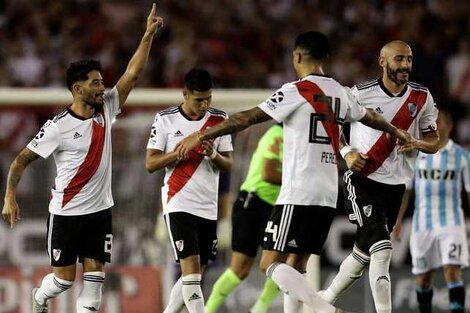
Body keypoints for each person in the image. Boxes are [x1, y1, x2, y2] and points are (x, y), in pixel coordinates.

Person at [175, 31, 411, 313]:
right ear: (325, 58)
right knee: (296, 266)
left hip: (298, 191)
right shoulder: (339, 91)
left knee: (268, 264)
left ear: (297, 56)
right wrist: (395, 131)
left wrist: (201, 135)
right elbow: (370, 116)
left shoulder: (296, 90)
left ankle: (324, 309)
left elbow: (245, 118)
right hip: (326, 195)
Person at [1, 4, 163, 313]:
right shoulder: (57, 127)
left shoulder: (107, 109)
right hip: (66, 214)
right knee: (63, 281)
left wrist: (147, 35)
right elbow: (20, 160)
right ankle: (39, 296)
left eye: (102, 82)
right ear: (77, 88)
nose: (103, 88)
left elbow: (133, 73)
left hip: (100, 211)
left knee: (95, 282)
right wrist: (10, 196)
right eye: (96, 83)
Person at [319, 40, 440, 313]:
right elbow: (330, 123)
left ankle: (323, 301)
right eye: (399, 59)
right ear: (382, 62)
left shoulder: (422, 97)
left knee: (363, 253)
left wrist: (417, 143)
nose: (406, 65)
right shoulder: (360, 94)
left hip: (396, 185)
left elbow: (434, 140)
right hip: (363, 178)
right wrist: (347, 151)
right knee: (383, 248)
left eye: (409, 59)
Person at [145, 68, 233, 313]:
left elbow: (228, 164)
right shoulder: (165, 119)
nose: (204, 105)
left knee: (194, 274)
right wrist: (177, 153)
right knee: (191, 268)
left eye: (208, 99)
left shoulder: (220, 120)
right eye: (198, 100)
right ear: (184, 94)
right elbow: (150, 163)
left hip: (208, 206)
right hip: (178, 201)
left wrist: (213, 154)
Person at [392, 110, 468, 313]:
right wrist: (398, 221)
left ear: (449, 126)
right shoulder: (417, 153)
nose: (435, 125)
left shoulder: (462, 156)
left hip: (452, 222)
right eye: (433, 122)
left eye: (440, 122)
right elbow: (406, 190)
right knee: (423, 278)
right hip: (422, 224)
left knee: (452, 271)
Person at [205, 123, 283, 313]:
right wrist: (302, 178)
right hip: (253, 203)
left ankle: (259, 310)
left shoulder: (299, 138)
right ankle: (207, 310)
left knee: (283, 264)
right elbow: (268, 173)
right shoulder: (277, 134)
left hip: (277, 206)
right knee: (240, 269)